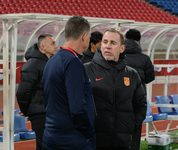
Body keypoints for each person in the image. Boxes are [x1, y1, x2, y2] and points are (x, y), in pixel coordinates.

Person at [84, 28, 147, 150]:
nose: (108, 46)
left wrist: (131, 125)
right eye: (105, 42)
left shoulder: (132, 74)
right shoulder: (86, 70)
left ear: (122, 48)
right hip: (94, 141)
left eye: (113, 43)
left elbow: (141, 104)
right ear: (101, 45)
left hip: (122, 141)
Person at [42, 16, 95, 150]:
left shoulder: (52, 60)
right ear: (84, 37)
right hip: (71, 138)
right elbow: (77, 107)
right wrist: (88, 131)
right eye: (89, 38)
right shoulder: (72, 62)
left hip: (51, 134)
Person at [16, 34, 58, 150]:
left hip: (49, 111)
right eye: (52, 44)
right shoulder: (33, 64)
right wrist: (25, 109)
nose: (56, 46)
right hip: (40, 112)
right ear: (43, 47)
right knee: (43, 144)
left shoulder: (48, 62)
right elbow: (23, 91)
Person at [124, 28, 155, 150]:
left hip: (120, 98)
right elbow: (150, 78)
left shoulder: (118, 55)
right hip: (138, 99)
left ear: (125, 40)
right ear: (139, 41)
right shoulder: (144, 58)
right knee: (136, 132)